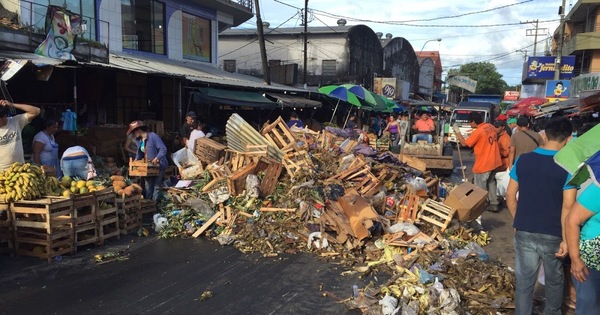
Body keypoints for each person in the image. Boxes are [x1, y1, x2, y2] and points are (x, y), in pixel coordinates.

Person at [505, 117, 575, 315]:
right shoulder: (568, 166)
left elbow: (510, 195)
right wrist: (566, 239)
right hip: (554, 233)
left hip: (525, 230)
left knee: (525, 282)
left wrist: (517, 219)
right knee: (554, 281)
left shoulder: (523, 160)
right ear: (568, 139)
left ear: (544, 134)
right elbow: (568, 207)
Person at [453, 112, 502, 212]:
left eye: (470, 122)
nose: (470, 124)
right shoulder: (490, 126)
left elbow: (464, 143)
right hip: (494, 160)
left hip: (484, 163)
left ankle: (481, 205)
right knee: (491, 182)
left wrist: (457, 132)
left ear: (474, 122)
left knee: (480, 186)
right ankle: (493, 203)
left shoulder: (478, 131)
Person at [565, 182, 600, 315]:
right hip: (590, 262)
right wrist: (575, 259)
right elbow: (571, 220)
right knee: (590, 307)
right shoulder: (597, 190)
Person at [128, 120, 168, 201]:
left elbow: (163, 149)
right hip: (148, 167)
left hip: (158, 165)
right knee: (148, 186)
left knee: (156, 186)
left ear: (138, 130)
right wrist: (136, 160)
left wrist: (157, 158)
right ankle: (148, 204)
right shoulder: (139, 140)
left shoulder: (153, 136)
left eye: (133, 132)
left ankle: (155, 206)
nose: (133, 135)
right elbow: (139, 153)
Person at [0, 100, 41, 171]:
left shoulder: (16, 121)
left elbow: (36, 111)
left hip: (20, 169)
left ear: (4, 116)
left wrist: (12, 105)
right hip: (2, 171)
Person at [494, 119, 511, 204]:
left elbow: (507, 152)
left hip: (504, 164)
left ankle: (498, 198)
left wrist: (497, 153)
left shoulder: (505, 138)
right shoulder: (499, 136)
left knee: (499, 182)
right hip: (500, 163)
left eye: (497, 127)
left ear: (503, 127)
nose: (496, 129)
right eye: (495, 127)